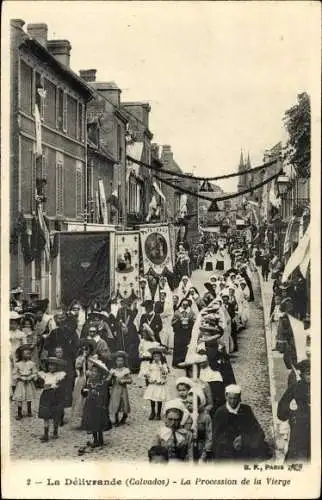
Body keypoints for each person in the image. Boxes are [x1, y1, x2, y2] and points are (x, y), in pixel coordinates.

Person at [212, 384, 270, 460]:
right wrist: (231, 443)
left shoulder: (246, 410)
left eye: (235, 398)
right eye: (230, 398)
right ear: (226, 397)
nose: (232, 401)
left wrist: (243, 439)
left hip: (244, 448)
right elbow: (216, 436)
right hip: (227, 452)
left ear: (239, 398)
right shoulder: (220, 412)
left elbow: (257, 431)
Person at [277, 359, 310, 462]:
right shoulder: (295, 388)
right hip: (299, 436)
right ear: (302, 374)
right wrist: (291, 410)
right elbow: (281, 413)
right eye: (308, 373)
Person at [81, 357, 112, 448]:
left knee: (99, 422)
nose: (93, 373)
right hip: (90, 405)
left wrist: (98, 394)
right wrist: (84, 391)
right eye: (92, 371)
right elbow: (86, 392)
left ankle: (100, 439)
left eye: (95, 372)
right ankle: (95, 439)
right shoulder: (89, 382)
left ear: (99, 373)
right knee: (92, 422)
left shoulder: (102, 383)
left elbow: (105, 394)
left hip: (99, 405)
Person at [37, 357, 67, 442]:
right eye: (50, 365)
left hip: (56, 396)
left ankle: (55, 431)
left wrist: (55, 386)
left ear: (57, 366)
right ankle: (46, 434)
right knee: (45, 414)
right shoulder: (45, 375)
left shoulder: (60, 375)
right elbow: (41, 384)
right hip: (46, 396)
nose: (51, 367)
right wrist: (44, 385)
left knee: (55, 414)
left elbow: (61, 385)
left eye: (53, 365)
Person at [70, 338, 96, 429]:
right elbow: (77, 366)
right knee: (80, 400)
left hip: (90, 380)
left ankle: (89, 420)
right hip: (82, 379)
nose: (85, 351)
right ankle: (82, 420)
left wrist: (91, 373)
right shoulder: (80, 358)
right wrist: (83, 357)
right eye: (84, 349)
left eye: (87, 349)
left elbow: (95, 368)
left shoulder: (93, 359)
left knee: (89, 400)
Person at [186, 389, 213, 462]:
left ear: (198, 404)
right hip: (187, 450)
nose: (188, 405)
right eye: (187, 402)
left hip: (201, 448)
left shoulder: (205, 417)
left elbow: (209, 436)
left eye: (191, 403)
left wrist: (205, 453)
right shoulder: (184, 416)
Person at [12, 344, 38, 420]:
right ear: (21, 354)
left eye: (29, 354)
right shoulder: (17, 364)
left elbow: (35, 372)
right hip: (21, 383)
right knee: (20, 397)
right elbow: (14, 374)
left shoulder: (32, 364)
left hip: (29, 382)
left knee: (29, 396)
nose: (28, 355)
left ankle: (29, 411)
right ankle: (19, 413)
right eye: (26, 354)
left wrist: (33, 377)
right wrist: (19, 378)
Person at [144, 346, 169, 420]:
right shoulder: (151, 364)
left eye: (158, 356)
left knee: (159, 398)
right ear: (152, 357)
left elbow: (165, 372)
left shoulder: (163, 364)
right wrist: (147, 375)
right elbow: (148, 371)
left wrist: (160, 365)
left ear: (161, 357)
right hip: (153, 382)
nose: (156, 358)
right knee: (152, 398)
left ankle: (158, 413)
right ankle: (152, 412)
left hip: (159, 382)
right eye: (155, 356)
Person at [116, 299, 140, 373]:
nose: (124, 305)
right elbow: (117, 321)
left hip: (130, 332)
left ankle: (130, 366)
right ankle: (122, 366)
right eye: (123, 303)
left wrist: (127, 328)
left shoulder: (130, 311)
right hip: (121, 333)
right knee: (122, 348)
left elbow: (133, 319)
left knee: (130, 348)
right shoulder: (119, 311)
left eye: (126, 303)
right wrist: (121, 325)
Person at [109, 351, 132, 426]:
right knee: (115, 403)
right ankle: (116, 419)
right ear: (115, 361)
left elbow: (130, 380)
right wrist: (110, 376)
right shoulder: (113, 370)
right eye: (118, 360)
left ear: (124, 361)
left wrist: (124, 380)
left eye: (121, 360)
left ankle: (124, 416)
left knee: (124, 402)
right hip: (115, 389)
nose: (120, 362)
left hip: (123, 389)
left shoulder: (125, 370)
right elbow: (108, 380)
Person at [172, 298, 196, 368]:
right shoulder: (177, 312)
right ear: (181, 304)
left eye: (186, 304)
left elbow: (194, 321)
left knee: (187, 347)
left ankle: (186, 363)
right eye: (183, 304)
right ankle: (177, 362)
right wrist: (179, 321)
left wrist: (189, 321)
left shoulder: (191, 312)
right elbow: (172, 322)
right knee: (178, 347)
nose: (185, 306)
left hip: (187, 333)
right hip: (179, 332)